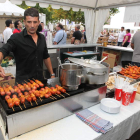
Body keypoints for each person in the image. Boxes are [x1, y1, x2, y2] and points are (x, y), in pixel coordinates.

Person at [0, 8, 55, 83]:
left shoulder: (41, 38)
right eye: (29, 22)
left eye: (35, 22)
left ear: (38, 22)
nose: (32, 25)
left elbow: (46, 56)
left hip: (39, 82)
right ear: (24, 22)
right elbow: (3, 50)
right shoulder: (16, 38)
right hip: (23, 85)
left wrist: (52, 74)